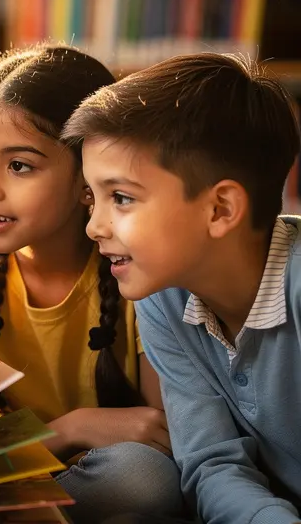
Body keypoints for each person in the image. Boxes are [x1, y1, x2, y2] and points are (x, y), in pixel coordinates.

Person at [0, 45, 184, 523]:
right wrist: (72, 429)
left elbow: (164, 435)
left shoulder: (141, 272)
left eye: (19, 166)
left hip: (104, 478)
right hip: (11, 476)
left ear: (84, 181)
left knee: (144, 478)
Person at [67, 52, 301, 524]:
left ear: (220, 210)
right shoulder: (163, 298)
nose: (94, 226)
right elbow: (213, 462)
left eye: (122, 198)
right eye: (93, 197)